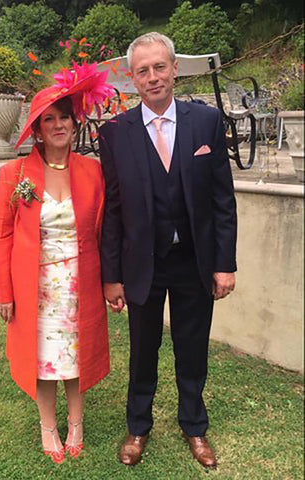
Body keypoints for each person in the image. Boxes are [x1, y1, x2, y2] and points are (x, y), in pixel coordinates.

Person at [98, 32, 237, 469]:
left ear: (175, 69)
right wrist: (112, 274)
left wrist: (224, 264)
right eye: (143, 70)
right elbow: (114, 210)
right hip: (143, 262)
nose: (153, 77)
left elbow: (222, 200)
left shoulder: (206, 123)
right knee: (143, 349)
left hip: (193, 260)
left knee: (191, 345)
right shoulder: (115, 133)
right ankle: (138, 426)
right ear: (132, 79)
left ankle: (194, 426)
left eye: (160, 67)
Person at [0, 63, 114, 464]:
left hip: (82, 282)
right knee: (42, 358)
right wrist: (4, 292)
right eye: (49, 119)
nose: (58, 124)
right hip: (35, 287)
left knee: (77, 353)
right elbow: (1, 234)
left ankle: (76, 422)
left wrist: (113, 280)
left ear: (74, 124)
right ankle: (48, 426)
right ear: (38, 129)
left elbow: (106, 230)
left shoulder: (93, 171)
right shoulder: (15, 173)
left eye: (65, 117)